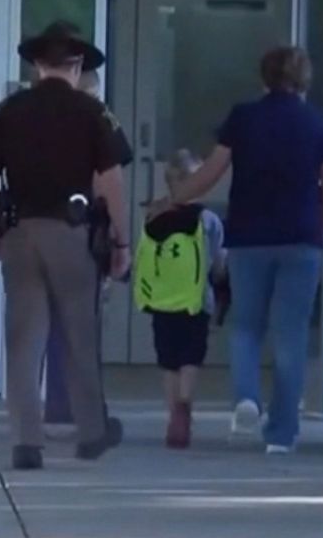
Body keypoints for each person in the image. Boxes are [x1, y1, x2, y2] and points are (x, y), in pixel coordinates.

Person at [153, 47, 323, 454]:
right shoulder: (318, 124)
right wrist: (319, 234)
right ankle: (282, 434)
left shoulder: (244, 118)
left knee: (246, 327)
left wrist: (173, 200)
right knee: (290, 336)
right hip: (301, 239)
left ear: (265, 77)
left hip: (250, 238)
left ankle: (246, 399)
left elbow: (209, 174)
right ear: (304, 79)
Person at [0, 21, 131, 470]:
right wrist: (121, 239)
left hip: (20, 233)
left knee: (24, 340)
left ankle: (25, 442)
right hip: (72, 234)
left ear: (37, 64)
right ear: (77, 65)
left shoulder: (8, 111)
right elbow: (112, 180)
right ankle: (91, 433)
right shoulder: (93, 114)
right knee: (79, 333)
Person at [44, 68, 133, 429]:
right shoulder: (98, 124)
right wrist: (120, 238)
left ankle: (57, 402)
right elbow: (108, 182)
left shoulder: (34, 120)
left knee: (49, 323)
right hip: (83, 231)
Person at [135, 149, 224, 449]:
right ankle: (185, 404)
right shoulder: (207, 219)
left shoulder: (154, 217)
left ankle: (173, 411)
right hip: (196, 301)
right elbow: (217, 261)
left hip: (162, 300)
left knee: (168, 359)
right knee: (190, 356)